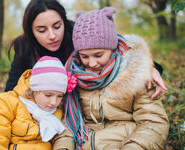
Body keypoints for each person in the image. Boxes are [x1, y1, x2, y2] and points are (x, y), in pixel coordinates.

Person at [52, 7, 169, 150]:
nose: (92, 63)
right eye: (84, 56)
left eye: (98, 55)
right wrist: (63, 147)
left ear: (112, 48)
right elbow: (68, 121)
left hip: (124, 143)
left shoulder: (135, 73)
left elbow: (153, 122)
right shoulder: (74, 75)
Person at [4, 0, 167, 99]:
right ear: (31, 31)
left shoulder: (79, 34)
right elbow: (10, 91)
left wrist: (150, 67)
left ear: (64, 21)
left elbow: (120, 46)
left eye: (57, 26)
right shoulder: (24, 46)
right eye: (42, 30)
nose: (52, 36)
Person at [0, 56, 77, 149]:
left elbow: (63, 136)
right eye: (48, 95)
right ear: (34, 90)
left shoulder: (59, 110)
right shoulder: (8, 102)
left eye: (59, 96)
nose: (54, 102)